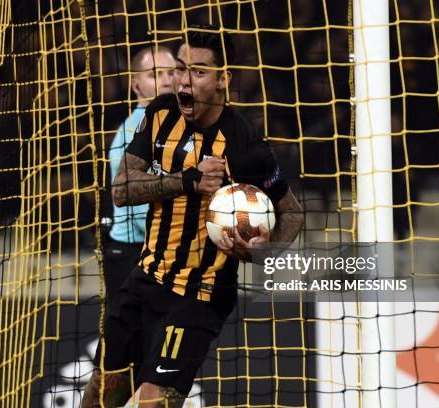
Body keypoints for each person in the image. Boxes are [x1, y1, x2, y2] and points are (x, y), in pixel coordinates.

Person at [82, 24, 303, 408]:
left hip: (198, 296)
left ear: (223, 80)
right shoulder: (159, 114)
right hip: (144, 279)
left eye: (197, 72)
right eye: (180, 68)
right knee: (102, 393)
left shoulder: (245, 144)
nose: (183, 81)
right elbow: (121, 191)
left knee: (155, 401)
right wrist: (187, 181)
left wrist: (262, 252)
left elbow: (292, 214)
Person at [105, 46, 175, 295]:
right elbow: (138, 210)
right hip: (133, 257)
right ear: (136, 86)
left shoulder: (171, 124)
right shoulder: (134, 133)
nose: (167, 81)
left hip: (155, 250)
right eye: (155, 75)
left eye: (172, 72)